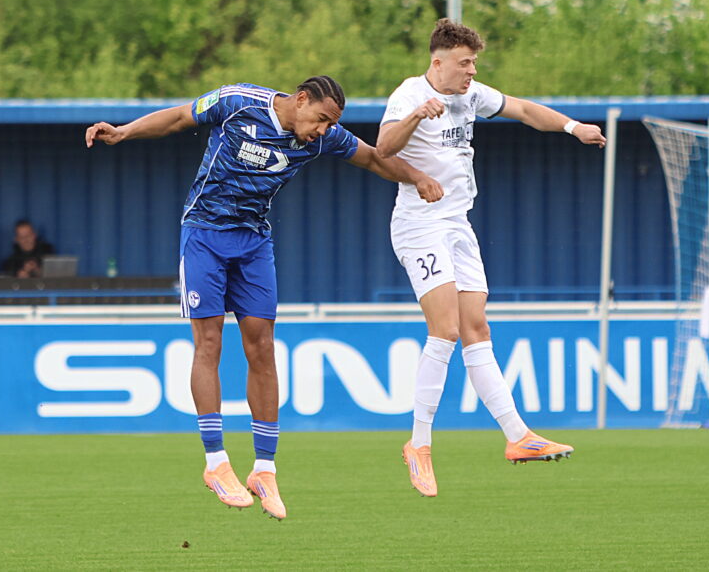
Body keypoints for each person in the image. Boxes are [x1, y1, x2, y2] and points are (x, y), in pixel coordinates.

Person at [85, 76, 442, 520]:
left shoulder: (321, 138)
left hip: (254, 243)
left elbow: (373, 158)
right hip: (205, 237)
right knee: (209, 344)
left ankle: (264, 469)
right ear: (301, 99)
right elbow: (178, 117)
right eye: (321, 119)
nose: (324, 130)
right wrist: (123, 131)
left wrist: (419, 177)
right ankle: (216, 463)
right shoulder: (237, 102)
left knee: (262, 348)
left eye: (331, 123)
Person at [377, 19, 606, 497]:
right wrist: (419, 115)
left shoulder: (471, 95)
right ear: (437, 63)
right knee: (445, 329)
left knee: (476, 327)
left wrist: (572, 126)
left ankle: (518, 436)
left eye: (474, 62)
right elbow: (382, 151)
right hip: (420, 226)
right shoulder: (408, 96)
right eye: (464, 63)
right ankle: (418, 444)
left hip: (458, 225)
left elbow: (522, 109)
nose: (471, 70)